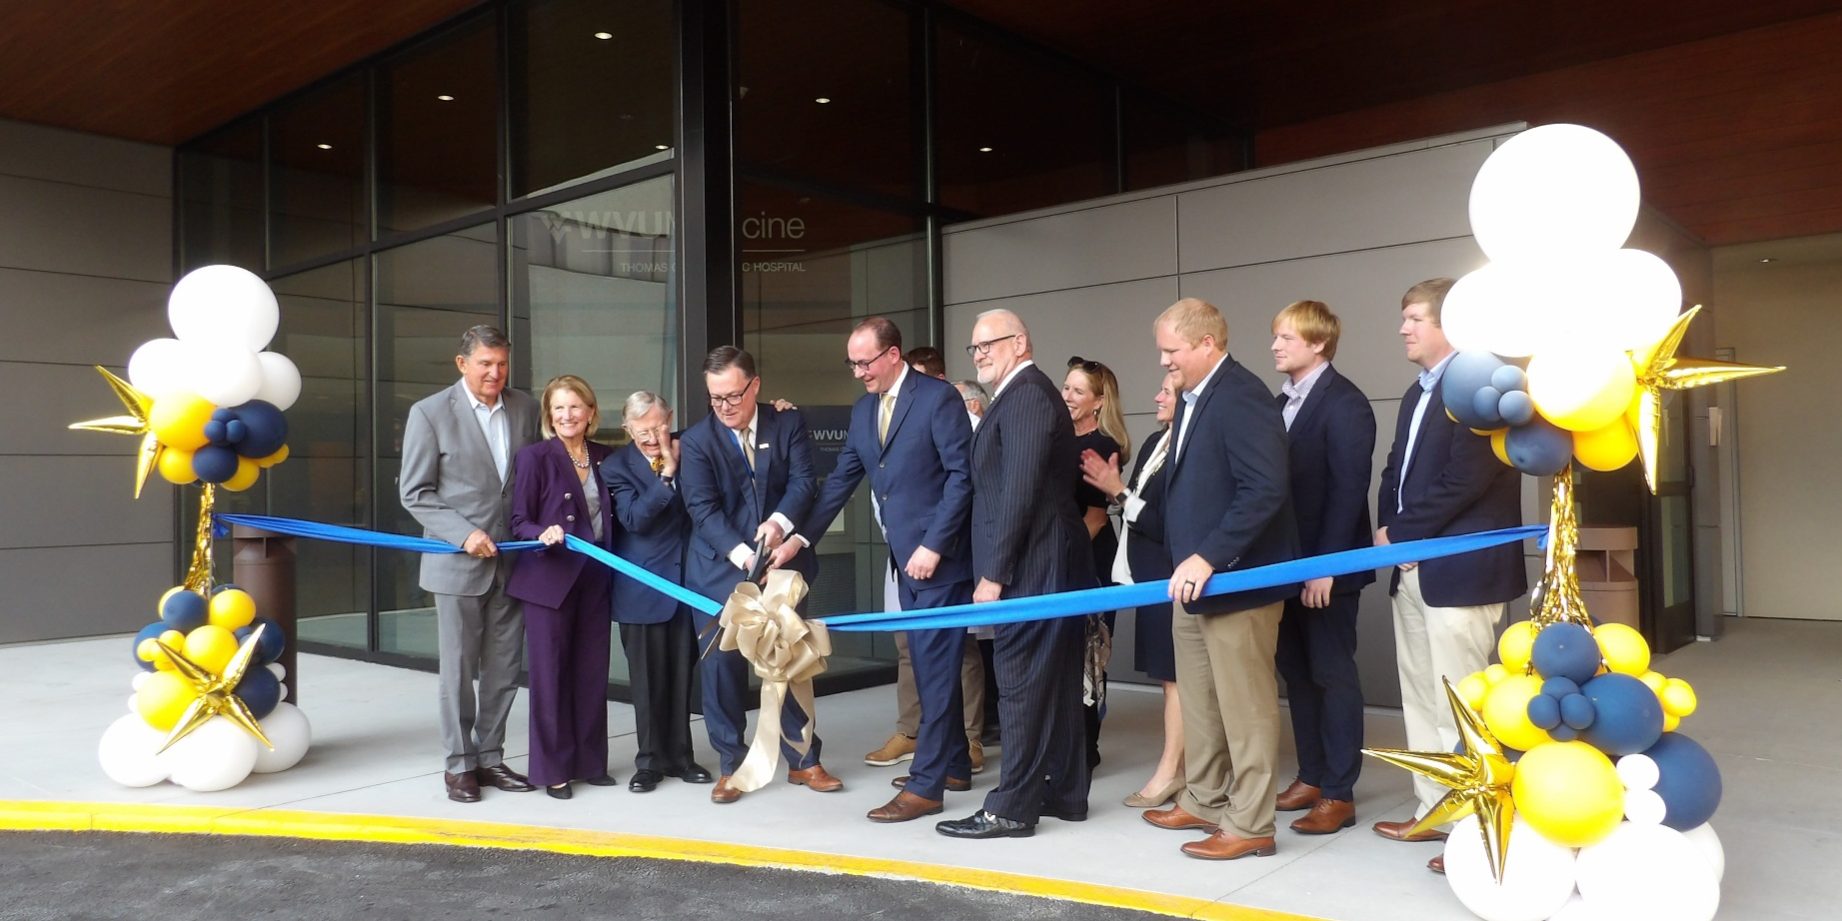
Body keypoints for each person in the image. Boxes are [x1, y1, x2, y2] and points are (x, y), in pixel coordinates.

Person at [776, 317, 975, 823]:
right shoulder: (865, 409)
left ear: (892, 355)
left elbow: (962, 477)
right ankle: (953, 763)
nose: (858, 372)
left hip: (940, 562)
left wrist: (934, 545)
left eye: (865, 362)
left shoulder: (938, 399)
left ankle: (927, 786)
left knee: (934, 670)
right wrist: (800, 537)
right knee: (929, 668)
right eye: (852, 363)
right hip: (905, 564)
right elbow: (841, 481)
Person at [1372, 278, 1526, 873]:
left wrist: (1402, 533)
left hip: (1460, 574)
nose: (1403, 329)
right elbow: (1395, 471)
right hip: (1410, 567)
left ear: (1449, 323)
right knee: (1420, 697)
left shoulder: (1482, 386)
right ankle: (1435, 812)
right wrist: (1388, 532)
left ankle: (1473, 829)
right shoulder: (1416, 393)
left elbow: (1469, 478)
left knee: (1463, 705)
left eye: (1415, 318)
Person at [1142, 298, 1298, 861]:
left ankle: (1251, 823)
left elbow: (1264, 488)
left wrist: (1209, 556)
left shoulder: (1241, 395)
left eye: (1172, 350)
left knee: (1245, 707)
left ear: (1207, 343)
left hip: (1235, 581)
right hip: (1192, 584)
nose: (1165, 362)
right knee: (1201, 701)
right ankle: (1205, 799)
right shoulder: (1193, 398)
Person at [936, 308, 1094, 840]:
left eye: (990, 343)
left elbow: (1019, 490)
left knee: (1021, 683)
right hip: (1046, 561)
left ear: (1020, 342)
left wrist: (994, 574)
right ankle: (1065, 792)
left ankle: (1012, 808)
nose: (979, 354)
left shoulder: (1026, 395)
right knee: (1055, 681)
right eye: (974, 347)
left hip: (1033, 565)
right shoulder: (1022, 393)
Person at [676, 345, 839, 803]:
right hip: (720, 570)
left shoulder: (786, 422)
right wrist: (748, 558)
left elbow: (804, 482)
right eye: (715, 398)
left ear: (755, 385)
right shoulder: (697, 440)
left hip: (784, 564)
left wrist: (779, 526)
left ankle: (803, 760)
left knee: (790, 660)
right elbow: (702, 509)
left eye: (733, 395)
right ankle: (732, 765)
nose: (725, 406)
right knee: (722, 669)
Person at [399, 324, 542, 803]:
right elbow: (415, 492)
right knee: (458, 671)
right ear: (462, 364)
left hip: (514, 563)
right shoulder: (429, 413)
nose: (495, 373)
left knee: (504, 668)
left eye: (501, 364)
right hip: (457, 564)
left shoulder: (525, 408)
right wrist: (464, 534)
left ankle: (491, 757)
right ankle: (459, 764)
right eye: (485, 364)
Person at [1267, 300, 1376, 835]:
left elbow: (1349, 492)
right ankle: (1310, 776)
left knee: (1332, 675)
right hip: (1285, 567)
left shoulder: (1346, 403)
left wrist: (1326, 567)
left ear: (1317, 343)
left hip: (1327, 569)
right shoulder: (1279, 402)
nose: (1275, 346)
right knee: (1297, 673)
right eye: (1276, 336)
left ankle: (1338, 792)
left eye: (1286, 337)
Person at [505, 375, 618, 799]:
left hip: (595, 578)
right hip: (549, 580)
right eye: (559, 408)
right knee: (550, 677)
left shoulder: (607, 456)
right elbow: (519, 520)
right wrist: (543, 532)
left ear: (590, 412)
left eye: (575, 406)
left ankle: (590, 762)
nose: (567, 415)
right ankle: (553, 769)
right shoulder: (535, 457)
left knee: (591, 672)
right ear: (549, 416)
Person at [601, 391, 713, 793]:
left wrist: (778, 409)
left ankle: (681, 757)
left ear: (671, 419)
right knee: (647, 684)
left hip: (687, 587)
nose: (652, 437)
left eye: (659, 427)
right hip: (642, 589)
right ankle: (648, 762)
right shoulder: (616, 466)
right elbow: (635, 519)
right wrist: (667, 475)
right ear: (627, 428)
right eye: (643, 431)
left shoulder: (692, 448)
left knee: (682, 677)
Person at [1081, 370, 1183, 808]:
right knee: (1169, 680)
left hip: (1172, 578)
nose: (1157, 396)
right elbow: (1136, 507)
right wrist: (1117, 492)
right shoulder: (1154, 442)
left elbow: (1164, 523)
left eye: (1167, 391)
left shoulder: (1188, 448)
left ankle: (1172, 772)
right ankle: (1183, 770)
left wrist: (1117, 490)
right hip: (1148, 579)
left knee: (1177, 681)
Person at [1064, 356, 1129, 771]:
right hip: (1063, 556)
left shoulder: (1102, 445)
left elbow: (1096, 517)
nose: (1067, 396)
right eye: (1065, 387)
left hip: (1088, 559)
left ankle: (1086, 749)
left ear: (1099, 401)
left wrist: (1062, 558)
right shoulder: (1058, 437)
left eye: (1078, 391)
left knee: (1088, 657)